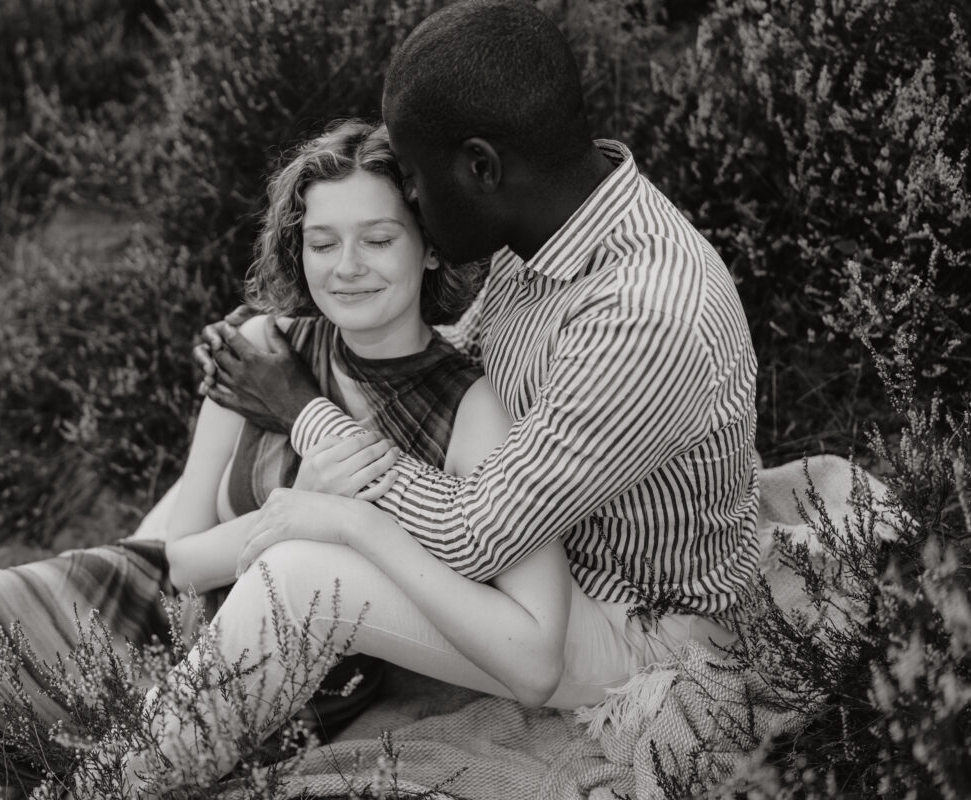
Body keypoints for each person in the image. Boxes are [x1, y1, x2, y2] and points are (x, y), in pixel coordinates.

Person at [0, 120, 570, 789]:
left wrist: (340, 521)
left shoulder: (471, 410)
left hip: (293, 664)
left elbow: (504, 624)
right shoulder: (263, 349)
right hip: (167, 602)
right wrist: (295, 509)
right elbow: (183, 562)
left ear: (430, 251)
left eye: (378, 239)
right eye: (322, 242)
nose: (347, 267)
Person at [167, 0, 760, 784]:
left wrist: (304, 415)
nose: (409, 199)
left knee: (304, 572)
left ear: (481, 168)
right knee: (240, 435)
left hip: (634, 624)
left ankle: (127, 774)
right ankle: (129, 611)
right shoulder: (548, 227)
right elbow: (454, 349)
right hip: (545, 551)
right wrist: (291, 337)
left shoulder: (641, 315)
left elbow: (480, 532)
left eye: (411, 179)